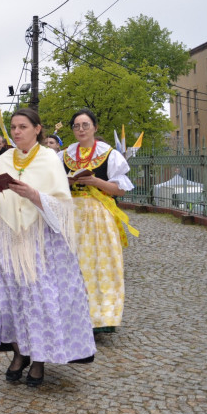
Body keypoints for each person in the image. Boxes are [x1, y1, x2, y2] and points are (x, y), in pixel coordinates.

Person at [0, 108, 95, 387]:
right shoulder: (3, 158)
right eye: (14, 127)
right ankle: (19, 353)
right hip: (8, 240)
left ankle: (39, 359)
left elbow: (63, 206)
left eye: (23, 127)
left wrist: (34, 195)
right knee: (12, 300)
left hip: (39, 240)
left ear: (37, 129)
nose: (17, 132)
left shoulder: (49, 160)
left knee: (38, 300)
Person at [61, 109, 135, 334]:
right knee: (69, 265)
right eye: (76, 126)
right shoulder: (63, 155)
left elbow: (120, 190)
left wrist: (94, 181)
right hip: (70, 214)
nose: (81, 129)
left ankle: (100, 318)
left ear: (95, 127)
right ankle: (70, 317)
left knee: (99, 265)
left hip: (98, 216)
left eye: (85, 125)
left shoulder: (110, 154)